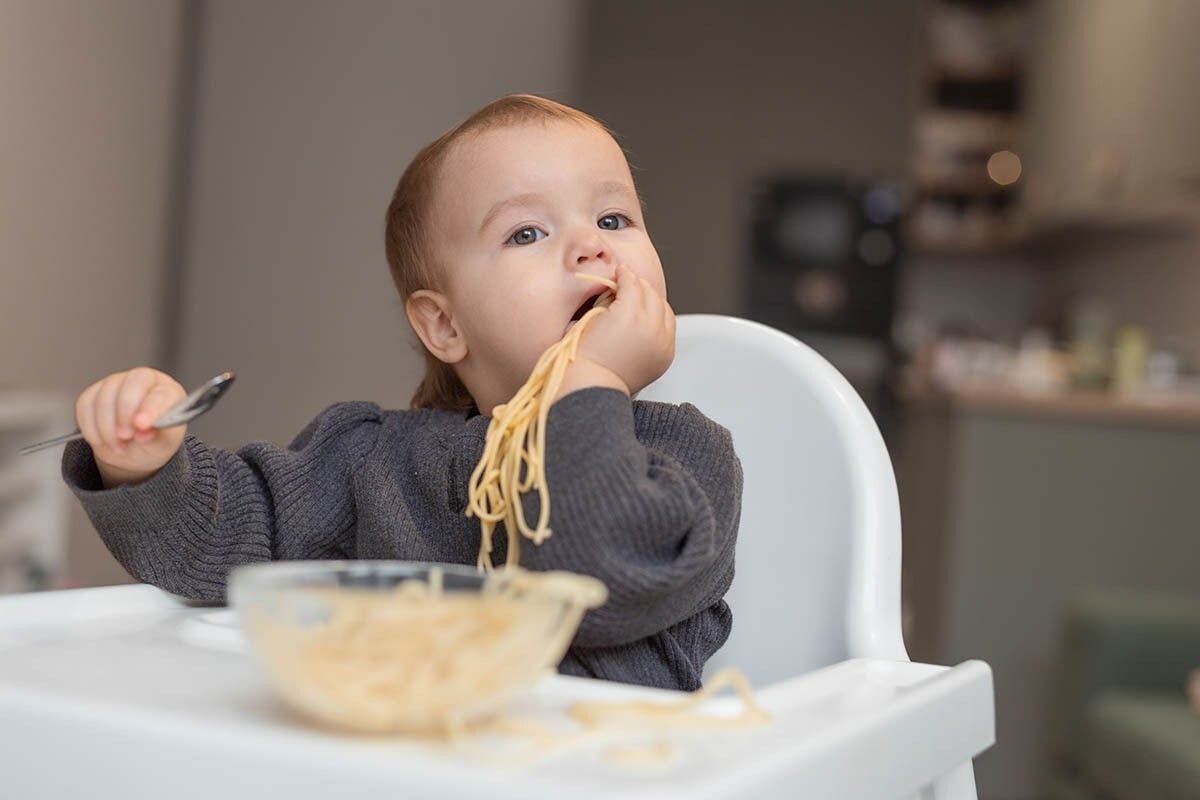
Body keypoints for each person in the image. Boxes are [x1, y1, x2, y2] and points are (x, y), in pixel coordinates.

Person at [62, 94, 742, 691]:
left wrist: (588, 383)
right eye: (527, 232)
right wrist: (144, 466)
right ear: (444, 324)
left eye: (614, 219)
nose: (592, 247)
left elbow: (601, 586)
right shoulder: (370, 460)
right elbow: (227, 546)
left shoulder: (684, 456)